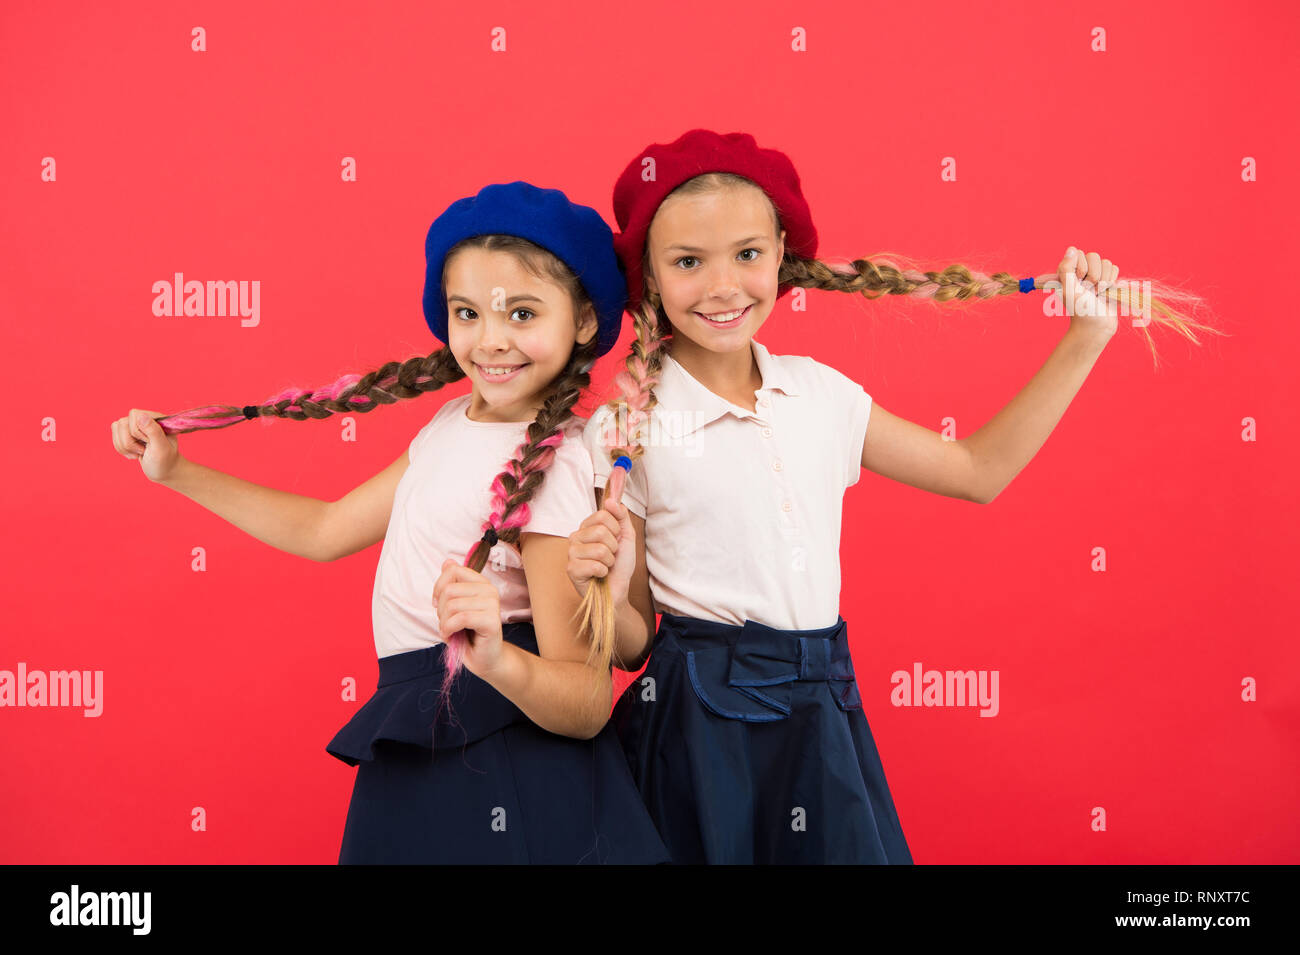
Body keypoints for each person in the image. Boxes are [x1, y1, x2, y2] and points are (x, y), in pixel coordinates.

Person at [566, 129, 1219, 864]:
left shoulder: (820, 395)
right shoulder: (627, 431)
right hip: (697, 738)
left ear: (783, 253)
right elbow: (635, 642)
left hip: (820, 715)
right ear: (649, 276)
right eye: (688, 262)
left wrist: (1086, 335)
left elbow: (977, 469)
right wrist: (606, 589)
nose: (722, 287)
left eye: (748, 254)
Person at [110, 181, 669, 864]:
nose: (491, 340)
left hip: (502, 757)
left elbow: (583, 699)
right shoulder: (448, 426)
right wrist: (177, 472)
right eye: (469, 312)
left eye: (522, 313)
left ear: (583, 320)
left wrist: (493, 658)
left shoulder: (550, 466)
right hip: (429, 733)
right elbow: (326, 528)